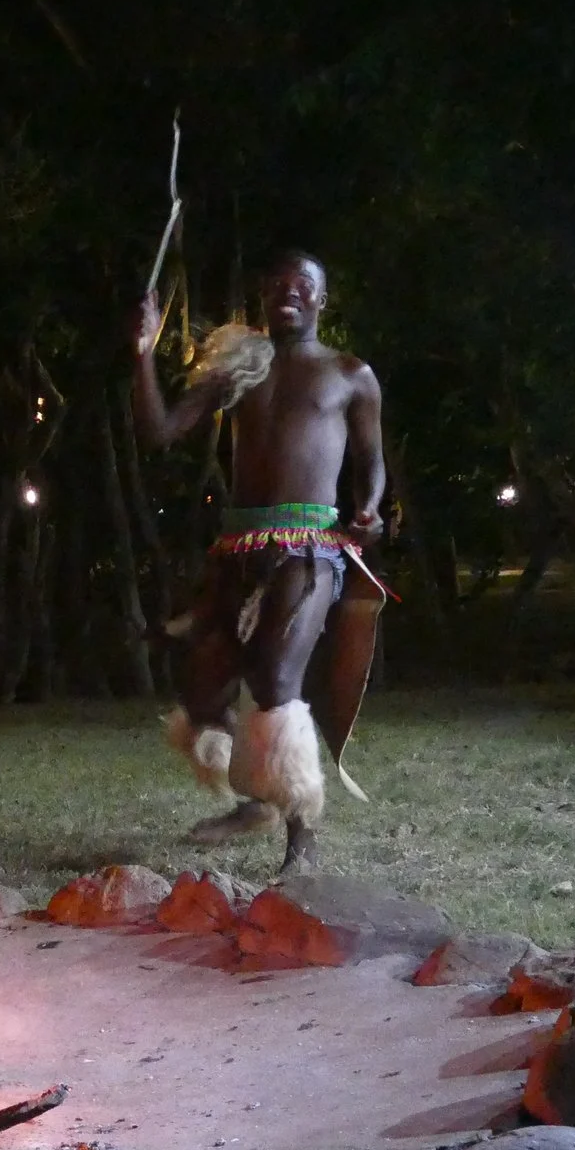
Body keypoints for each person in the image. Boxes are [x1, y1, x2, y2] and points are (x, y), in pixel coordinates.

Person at [131, 250, 388, 878]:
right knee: (202, 687)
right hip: (238, 549)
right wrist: (141, 353)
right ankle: (255, 801)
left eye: (303, 284)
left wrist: (370, 508)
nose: (288, 292)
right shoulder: (242, 367)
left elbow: (372, 462)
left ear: (322, 299)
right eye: (277, 284)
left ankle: (302, 839)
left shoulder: (350, 374)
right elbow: (160, 431)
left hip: (310, 547)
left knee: (275, 680)